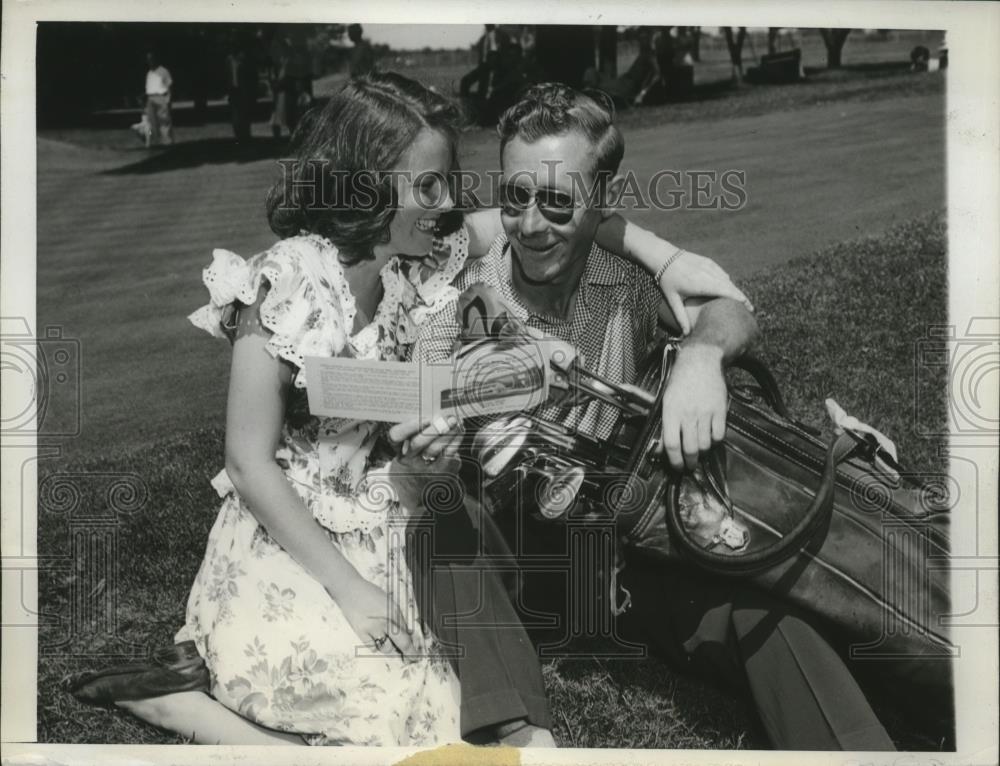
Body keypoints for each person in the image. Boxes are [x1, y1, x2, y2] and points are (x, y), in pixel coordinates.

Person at [62, 71, 749, 747]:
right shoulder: (287, 275)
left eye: (447, 180)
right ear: (366, 186)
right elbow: (246, 463)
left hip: (392, 518)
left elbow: (541, 212)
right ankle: (184, 711)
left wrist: (664, 257)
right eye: (427, 186)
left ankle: (193, 704)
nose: (448, 202)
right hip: (293, 531)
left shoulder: (420, 261)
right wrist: (347, 591)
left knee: (432, 714)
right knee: (356, 699)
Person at [412, 82, 897, 751]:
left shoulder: (629, 281)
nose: (530, 224)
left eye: (556, 200)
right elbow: (397, 242)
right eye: (515, 195)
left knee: (763, 607)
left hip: (621, 565)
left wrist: (700, 357)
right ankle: (520, 737)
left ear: (600, 203)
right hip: (506, 563)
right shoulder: (461, 279)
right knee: (437, 507)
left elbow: (730, 309)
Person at [143, 51, 174, 147]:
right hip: (150, 98)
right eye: (148, 60)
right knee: (151, 122)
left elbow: (169, 85)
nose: (150, 61)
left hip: (161, 97)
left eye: (152, 59)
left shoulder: (163, 71)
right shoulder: (149, 73)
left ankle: (167, 141)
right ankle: (154, 141)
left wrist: (168, 97)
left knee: (163, 120)